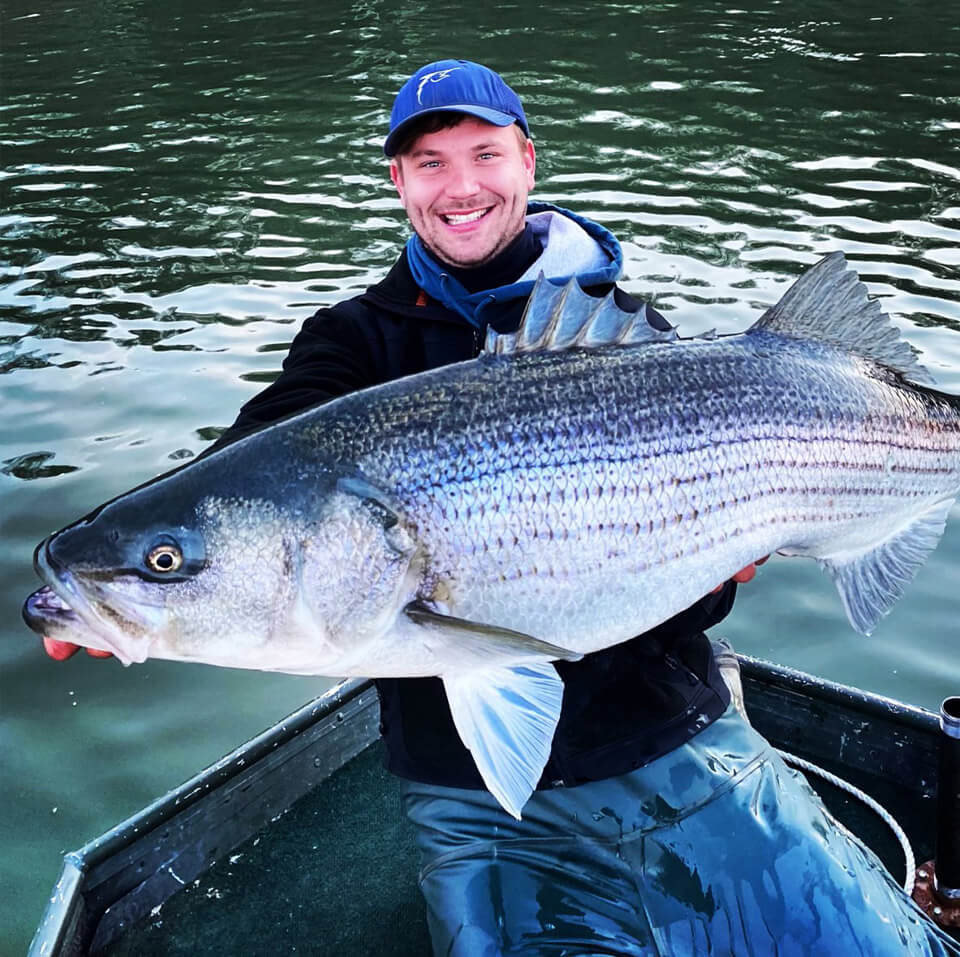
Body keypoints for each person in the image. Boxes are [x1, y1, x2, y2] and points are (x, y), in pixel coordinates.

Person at [47, 60, 960, 956]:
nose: (461, 186)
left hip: (672, 733)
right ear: (399, 180)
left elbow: (711, 598)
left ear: (528, 159)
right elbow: (251, 466)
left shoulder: (631, 335)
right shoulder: (348, 342)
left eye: (484, 153)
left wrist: (727, 543)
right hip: (466, 786)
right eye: (431, 163)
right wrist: (136, 575)